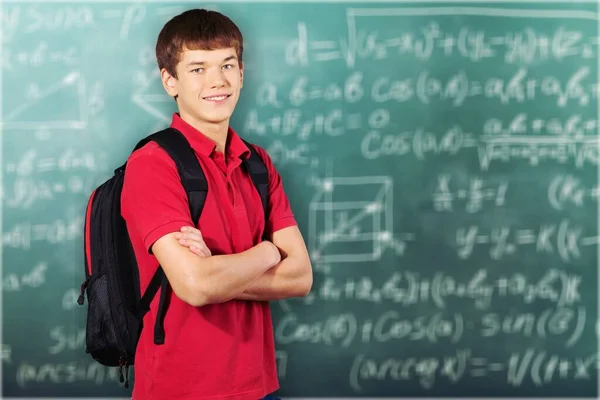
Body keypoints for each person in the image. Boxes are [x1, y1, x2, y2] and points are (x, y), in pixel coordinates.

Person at [121, 8, 313, 400]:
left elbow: (300, 277)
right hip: (180, 390)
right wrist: (267, 251)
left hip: (260, 388)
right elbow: (195, 286)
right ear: (169, 81)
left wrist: (215, 271)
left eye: (227, 64)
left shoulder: (257, 164)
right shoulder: (152, 165)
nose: (217, 81)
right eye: (197, 69)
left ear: (242, 73)